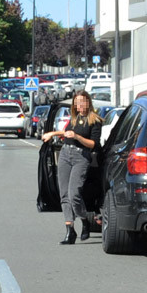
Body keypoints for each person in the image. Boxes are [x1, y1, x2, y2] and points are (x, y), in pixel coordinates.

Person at [42, 90, 103, 244]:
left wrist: (77, 137)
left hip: (81, 157)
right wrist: (52, 134)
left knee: (74, 194)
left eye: (82, 101)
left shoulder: (95, 120)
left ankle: (84, 220)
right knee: (63, 194)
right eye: (77, 102)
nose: (79, 105)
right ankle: (70, 231)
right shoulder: (74, 119)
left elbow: (93, 144)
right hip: (65, 154)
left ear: (88, 102)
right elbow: (66, 132)